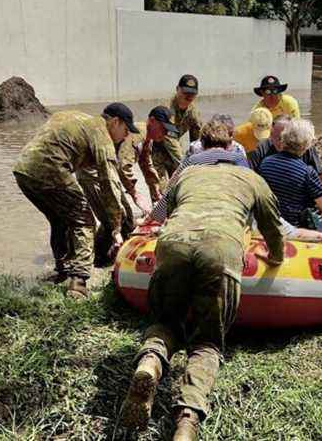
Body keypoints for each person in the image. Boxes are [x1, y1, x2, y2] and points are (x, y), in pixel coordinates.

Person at [120, 153, 285, 441]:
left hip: (173, 243)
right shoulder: (254, 179)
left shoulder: (187, 174)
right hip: (220, 247)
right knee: (207, 342)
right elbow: (272, 227)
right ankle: (187, 421)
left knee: (166, 321)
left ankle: (150, 361)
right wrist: (275, 256)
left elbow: (167, 212)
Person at [12, 110, 124, 299]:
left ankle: (62, 270)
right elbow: (109, 183)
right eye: (125, 130)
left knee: (60, 220)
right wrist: (116, 226)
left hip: (23, 170)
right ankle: (78, 284)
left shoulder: (77, 117)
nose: (125, 136)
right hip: (49, 169)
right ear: (115, 122)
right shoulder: (101, 132)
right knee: (85, 219)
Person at [258, 119, 322, 234]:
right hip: (294, 227)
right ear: (306, 145)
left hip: (269, 224)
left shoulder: (265, 163)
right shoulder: (306, 172)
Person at [101, 102, 158, 214]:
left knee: (122, 217)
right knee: (120, 217)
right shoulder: (139, 135)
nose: (165, 136)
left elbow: (146, 164)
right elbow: (124, 166)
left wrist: (156, 190)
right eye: (164, 130)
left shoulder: (148, 138)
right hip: (94, 174)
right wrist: (135, 194)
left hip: (108, 172)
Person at [152, 75, 204, 178]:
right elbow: (170, 140)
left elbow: (197, 140)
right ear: (177, 89)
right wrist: (186, 167)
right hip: (155, 152)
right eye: (185, 92)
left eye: (192, 93)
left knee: (178, 188)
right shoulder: (166, 109)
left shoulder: (193, 112)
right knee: (161, 190)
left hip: (173, 153)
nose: (188, 97)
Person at [140, 105, 182, 201]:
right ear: (152, 120)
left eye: (167, 129)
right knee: (159, 187)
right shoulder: (143, 135)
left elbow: (180, 160)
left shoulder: (168, 136)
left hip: (170, 157)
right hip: (155, 156)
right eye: (163, 128)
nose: (165, 132)